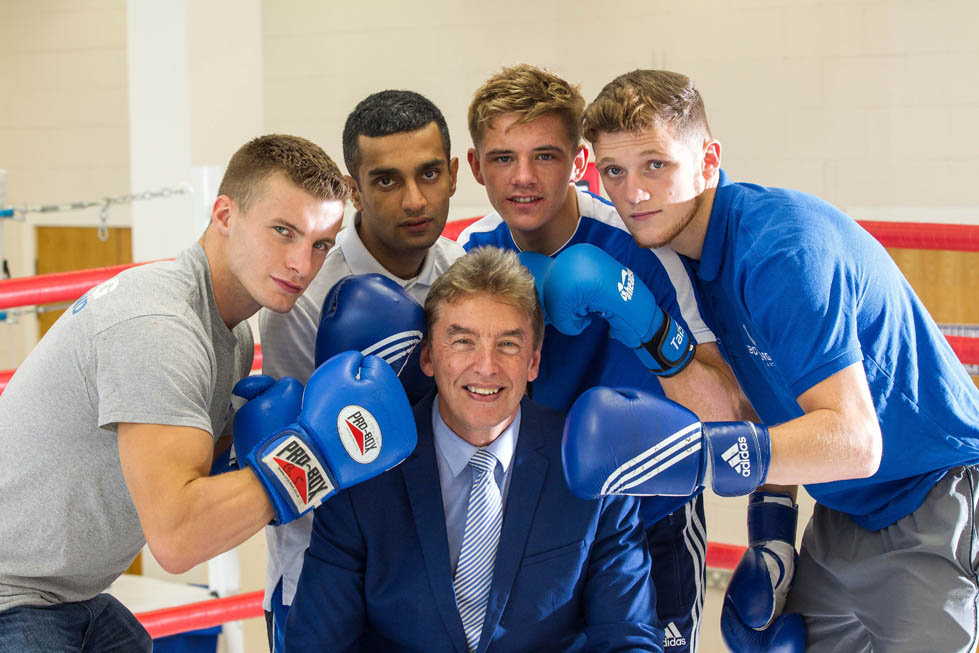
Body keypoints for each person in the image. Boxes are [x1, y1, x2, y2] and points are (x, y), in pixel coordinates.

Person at [573, 68, 979, 652]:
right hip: (843, 511)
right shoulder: (682, 265)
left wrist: (686, 457)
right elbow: (774, 410)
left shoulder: (780, 252)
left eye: (655, 165)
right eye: (615, 171)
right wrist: (772, 540)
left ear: (708, 160)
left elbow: (856, 441)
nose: (633, 192)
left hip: (936, 498)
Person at [0, 134, 374, 651]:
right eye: (283, 231)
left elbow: (189, 472)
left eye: (319, 244)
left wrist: (246, 445)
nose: (301, 265)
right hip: (13, 596)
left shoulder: (233, 332)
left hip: (72, 593)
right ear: (224, 214)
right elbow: (178, 538)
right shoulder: (160, 326)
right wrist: (318, 456)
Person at [457, 64, 746, 652]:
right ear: (476, 166)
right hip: (530, 528)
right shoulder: (470, 253)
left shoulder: (643, 246)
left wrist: (646, 324)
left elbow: (729, 414)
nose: (524, 178)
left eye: (545, 155)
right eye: (504, 158)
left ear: (579, 162)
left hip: (651, 519)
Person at [284, 246, 663, 652]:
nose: (486, 366)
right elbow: (315, 644)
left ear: (533, 362)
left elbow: (629, 637)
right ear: (428, 356)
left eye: (508, 345)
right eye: (463, 341)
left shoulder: (592, 469)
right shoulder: (363, 470)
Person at [258, 90, 464, 651]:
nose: (414, 199)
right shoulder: (305, 296)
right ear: (354, 190)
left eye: (427, 174)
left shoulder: (461, 278)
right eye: (387, 180)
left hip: (428, 570)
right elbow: (292, 460)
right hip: (320, 570)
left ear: (451, 175)